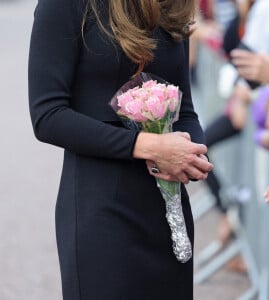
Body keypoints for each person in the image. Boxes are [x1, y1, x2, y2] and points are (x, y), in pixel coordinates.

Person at [28, 0, 213, 299]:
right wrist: (147, 145)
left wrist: (193, 152)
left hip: (167, 212)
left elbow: (185, 110)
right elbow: (47, 115)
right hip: (101, 208)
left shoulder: (172, 4)